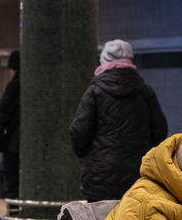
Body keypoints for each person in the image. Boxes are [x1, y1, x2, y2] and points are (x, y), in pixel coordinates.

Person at [69, 39, 168, 202]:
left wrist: (87, 155)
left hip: (100, 176)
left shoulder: (95, 92)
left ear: (104, 61)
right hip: (138, 175)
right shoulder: (145, 91)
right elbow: (160, 130)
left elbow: (79, 131)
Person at [0, 51, 21, 206]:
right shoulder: (33, 85)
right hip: (25, 147)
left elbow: (1, 115)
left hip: (13, 145)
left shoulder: (14, 85)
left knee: (12, 187)